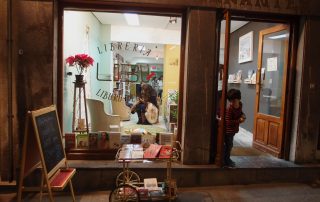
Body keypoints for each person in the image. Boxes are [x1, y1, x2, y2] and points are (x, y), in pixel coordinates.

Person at [224, 89, 246, 167]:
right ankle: (226, 160)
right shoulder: (229, 109)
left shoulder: (240, 105)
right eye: (231, 101)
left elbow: (241, 113)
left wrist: (243, 115)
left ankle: (227, 159)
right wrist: (239, 120)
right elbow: (228, 122)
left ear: (239, 99)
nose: (232, 103)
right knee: (228, 145)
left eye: (234, 101)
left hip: (233, 130)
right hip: (228, 130)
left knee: (230, 145)